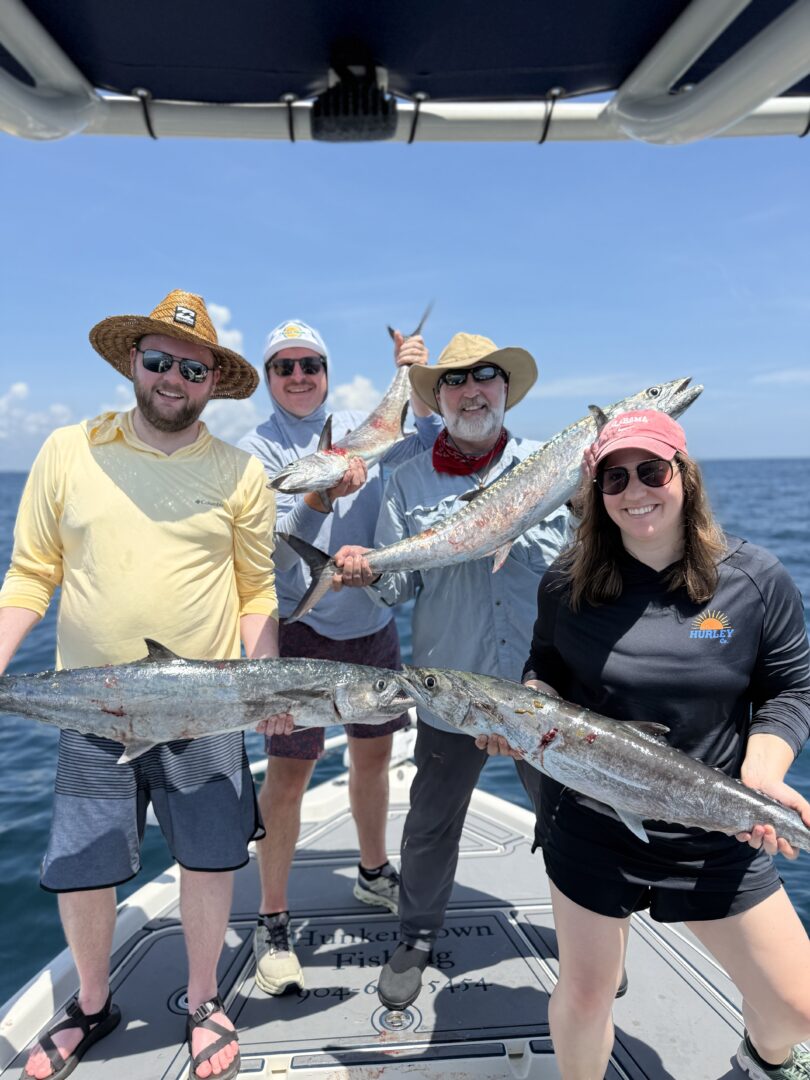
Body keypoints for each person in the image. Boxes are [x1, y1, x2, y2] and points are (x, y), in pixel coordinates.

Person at [0, 290, 279, 1080]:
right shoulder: (69, 449)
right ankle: (91, 1003)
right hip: (95, 706)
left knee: (212, 859)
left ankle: (203, 999)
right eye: (159, 361)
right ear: (133, 361)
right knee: (85, 864)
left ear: (213, 382)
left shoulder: (240, 473)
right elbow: (31, 573)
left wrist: (266, 687)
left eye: (192, 369)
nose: (172, 379)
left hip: (207, 707)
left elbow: (256, 589)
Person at [520, 409, 810, 1080]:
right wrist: (525, 713)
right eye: (614, 478)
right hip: (591, 819)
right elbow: (544, 668)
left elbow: (790, 690)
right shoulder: (565, 583)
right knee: (587, 993)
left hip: (714, 823)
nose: (635, 491)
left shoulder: (755, 578)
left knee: (797, 1010)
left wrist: (763, 772)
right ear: (597, 494)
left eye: (651, 470)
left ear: (685, 476)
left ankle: (764, 1054)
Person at [332, 332, 570, 1010]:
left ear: (505, 389)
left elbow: (589, 568)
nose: (471, 391)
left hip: (542, 687)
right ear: (438, 399)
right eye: (455, 381)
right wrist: (366, 573)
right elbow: (397, 590)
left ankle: (587, 932)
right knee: (431, 822)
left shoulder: (554, 468)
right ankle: (415, 934)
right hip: (451, 691)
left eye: (484, 376)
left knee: (568, 817)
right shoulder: (406, 481)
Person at [237, 318, 441, 996]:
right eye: (284, 366)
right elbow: (272, 551)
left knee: (374, 758)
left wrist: (416, 378)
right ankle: (272, 917)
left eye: (310, 365)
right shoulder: (254, 452)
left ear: (326, 372)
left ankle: (373, 871)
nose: (298, 376)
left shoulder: (364, 427)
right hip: (298, 627)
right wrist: (319, 497)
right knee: (289, 774)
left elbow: (432, 444)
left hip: (372, 622)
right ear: (268, 378)